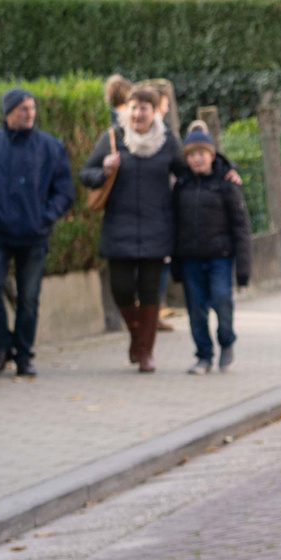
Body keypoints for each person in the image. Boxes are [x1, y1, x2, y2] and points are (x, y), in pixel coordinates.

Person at [0, 87, 73, 379]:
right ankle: (2, 345)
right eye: (24, 108)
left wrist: (46, 217)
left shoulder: (50, 146)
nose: (30, 113)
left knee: (29, 297)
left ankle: (24, 355)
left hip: (34, 234)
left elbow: (64, 189)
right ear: (9, 112)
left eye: (32, 108)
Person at [80, 83, 182, 372]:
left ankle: (146, 353)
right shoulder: (113, 139)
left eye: (144, 108)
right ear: (128, 110)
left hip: (156, 227)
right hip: (119, 227)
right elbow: (85, 175)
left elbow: (187, 175)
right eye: (134, 107)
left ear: (154, 112)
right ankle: (138, 337)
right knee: (121, 289)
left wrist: (223, 170)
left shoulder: (168, 142)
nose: (138, 113)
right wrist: (104, 171)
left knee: (150, 291)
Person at [170, 123, 252, 374]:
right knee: (196, 310)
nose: (196, 159)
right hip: (190, 258)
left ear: (211, 155)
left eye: (201, 154)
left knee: (221, 299)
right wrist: (174, 262)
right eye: (191, 155)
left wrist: (243, 268)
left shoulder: (227, 184)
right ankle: (203, 355)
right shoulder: (181, 186)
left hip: (220, 257)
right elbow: (173, 223)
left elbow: (241, 227)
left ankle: (226, 341)